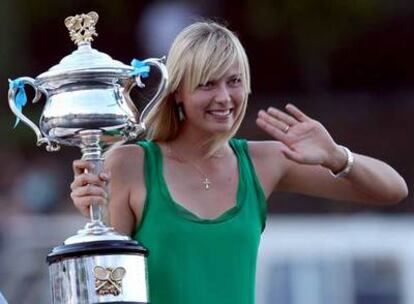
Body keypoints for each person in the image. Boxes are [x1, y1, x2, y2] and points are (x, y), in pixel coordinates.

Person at [70, 21, 408, 304]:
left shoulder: (265, 161)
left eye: (234, 81)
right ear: (177, 93)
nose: (224, 97)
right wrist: (95, 217)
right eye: (207, 84)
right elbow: (105, 287)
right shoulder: (130, 164)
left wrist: (338, 156)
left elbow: (392, 190)